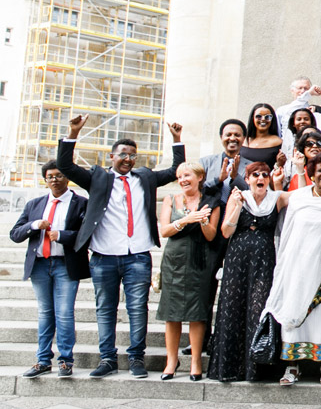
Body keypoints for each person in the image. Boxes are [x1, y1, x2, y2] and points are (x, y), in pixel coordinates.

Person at [57, 114, 186, 378]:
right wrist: (73, 133)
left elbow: (176, 170)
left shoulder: (145, 177)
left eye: (132, 155)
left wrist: (176, 140)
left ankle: (136, 358)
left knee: (138, 308)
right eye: (123, 155)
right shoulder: (98, 178)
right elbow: (66, 166)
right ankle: (107, 359)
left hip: (137, 254)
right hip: (104, 256)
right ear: (112, 157)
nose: (128, 159)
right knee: (106, 309)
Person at [263, 153, 321, 386]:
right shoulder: (298, 197)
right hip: (297, 267)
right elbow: (287, 230)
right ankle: (292, 366)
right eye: (319, 170)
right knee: (294, 312)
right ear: (311, 173)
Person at [9, 160, 89, 378]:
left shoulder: (81, 203)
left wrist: (62, 235)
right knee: (45, 313)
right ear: (45, 180)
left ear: (68, 178)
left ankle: (65, 361)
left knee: (64, 313)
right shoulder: (34, 204)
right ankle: (43, 360)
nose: (54, 179)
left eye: (59, 175)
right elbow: (15, 234)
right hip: (40, 265)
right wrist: (34, 226)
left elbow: (88, 234)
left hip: (65, 264)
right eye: (50, 176)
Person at [207, 162, 280, 382]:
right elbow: (226, 231)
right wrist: (237, 206)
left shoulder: (277, 198)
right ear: (247, 178)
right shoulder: (239, 196)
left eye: (264, 175)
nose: (260, 178)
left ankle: (256, 369)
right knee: (232, 306)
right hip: (237, 259)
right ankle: (230, 368)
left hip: (264, 260)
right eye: (255, 174)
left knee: (259, 308)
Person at [156, 161, 219, 380]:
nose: (183, 180)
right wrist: (186, 219)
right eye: (179, 176)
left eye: (187, 175)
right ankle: (171, 361)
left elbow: (211, 235)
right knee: (171, 314)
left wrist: (201, 220)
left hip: (199, 260)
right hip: (174, 259)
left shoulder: (211, 202)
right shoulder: (170, 200)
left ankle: (195, 362)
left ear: (200, 177)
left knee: (197, 314)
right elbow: (164, 231)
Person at [201, 119, 251, 202]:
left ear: (243, 138)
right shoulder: (206, 162)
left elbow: (252, 193)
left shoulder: (251, 166)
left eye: (237, 135)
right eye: (228, 135)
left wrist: (236, 177)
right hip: (209, 210)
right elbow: (197, 188)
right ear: (221, 137)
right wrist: (218, 180)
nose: (232, 138)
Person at [242, 103, 284, 169]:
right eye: (259, 116)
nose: (263, 119)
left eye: (268, 117)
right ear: (252, 118)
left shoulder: (278, 142)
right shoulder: (243, 141)